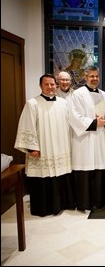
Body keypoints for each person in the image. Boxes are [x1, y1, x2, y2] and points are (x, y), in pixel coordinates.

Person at [14, 74, 74, 217]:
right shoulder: (32, 103)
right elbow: (27, 125)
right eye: (46, 84)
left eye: (52, 84)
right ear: (41, 86)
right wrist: (32, 147)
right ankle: (43, 208)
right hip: (42, 147)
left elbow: (69, 126)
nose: (50, 87)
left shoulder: (63, 103)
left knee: (60, 174)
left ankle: (61, 205)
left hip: (60, 146)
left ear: (56, 85)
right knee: (43, 177)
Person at [68, 66, 105, 211]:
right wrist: (94, 123)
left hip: (100, 136)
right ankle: (84, 203)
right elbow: (74, 116)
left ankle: (99, 202)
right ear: (85, 77)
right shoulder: (78, 94)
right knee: (85, 169)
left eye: (97, 76)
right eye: (91, 76)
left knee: (99, 169)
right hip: (84, 139)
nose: (94, 79)